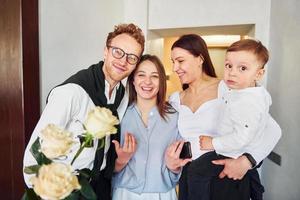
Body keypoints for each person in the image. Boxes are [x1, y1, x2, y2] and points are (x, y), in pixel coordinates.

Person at [23, 23, 145, 200]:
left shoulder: (121, 95)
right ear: (106, 51)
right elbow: (33, 156)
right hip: (65, 191)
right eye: (118, 52)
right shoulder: (72, 93)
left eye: (132, 57)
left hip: (99, 187)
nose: (123, 61)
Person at [166, 34, 281, 200]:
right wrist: (173, 163)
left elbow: (272, 130)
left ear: (200, 59)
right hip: (191, 177)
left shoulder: (228, 89)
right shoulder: (175, 99)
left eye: (180, 60)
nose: (175, 67)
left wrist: (246, 162)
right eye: (173, 62)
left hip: (224, 175)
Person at [197, 39, 275, 200]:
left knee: (196, 171)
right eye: (228, 66)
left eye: (243, 68)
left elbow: (245, 136)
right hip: (234, 152)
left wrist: (213, 143)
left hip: (231, 153)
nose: (232, 72)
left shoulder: (247, 101)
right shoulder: (247, 92)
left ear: (259, 74)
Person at [111, 54, 191, 200]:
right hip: (124, 194)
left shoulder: (176, 116)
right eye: (141, 75)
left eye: (154, 76)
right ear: (133, 80)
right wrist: (121, 160)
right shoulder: (119, 115)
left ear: (161, 82)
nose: (147, 82)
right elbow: (105, 168)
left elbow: (178, 166)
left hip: (163, 195)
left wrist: (174, 166)